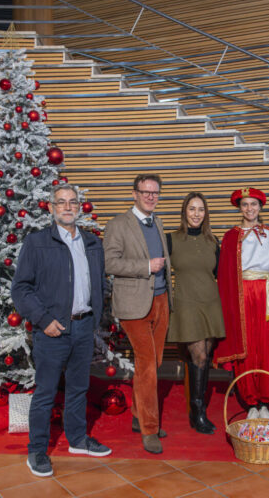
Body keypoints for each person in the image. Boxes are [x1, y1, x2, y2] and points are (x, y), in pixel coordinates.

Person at [11, 184, 111, 478]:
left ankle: (77, 440)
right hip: (52, 330)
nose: (67, 207)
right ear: (51, 208)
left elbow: (99, 283)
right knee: (45, 392)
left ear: (79, 207)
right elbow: (21, 288)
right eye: (61, 202)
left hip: (84, 326)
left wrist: (94, 318)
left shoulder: (92, 242)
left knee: (79, 388)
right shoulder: (37, 242)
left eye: (72, 202)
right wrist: (43, 320)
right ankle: (37, 450)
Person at [103, 174, 171, 454]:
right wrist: (145, 266)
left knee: (154, 362)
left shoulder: (158, 222)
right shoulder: (118, 224)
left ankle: (137, 415)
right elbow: (109, 262)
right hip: (134, 305)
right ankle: (149, 428)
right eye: (145, 192)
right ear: (134, 194)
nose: (150, 197)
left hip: (161, 300)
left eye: (155, 192)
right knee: (146, 364)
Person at [214, 187, 269, 420]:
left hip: (268, 295)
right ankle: (250, 402)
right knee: (247, 348)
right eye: (245, 205)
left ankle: (265, 401)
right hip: (242, 295)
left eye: (253, 204)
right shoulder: (231, 236)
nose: (250, 209)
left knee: (268, 348)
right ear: (239, 208)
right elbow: (226, 275)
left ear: (260, 207)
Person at [166, 192, 226, 434]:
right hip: (186, 303)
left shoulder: (212, 241)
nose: (196, 214)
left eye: (201, 209)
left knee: (204, 357)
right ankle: (197, 410)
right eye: (192, 208)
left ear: (206, 213)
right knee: (199, 355)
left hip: (210, 303)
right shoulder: (171, 239)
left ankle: (196, 405)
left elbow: (221, 273)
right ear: (184, 211)